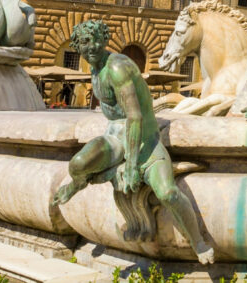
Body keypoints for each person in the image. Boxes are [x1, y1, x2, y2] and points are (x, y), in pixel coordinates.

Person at [51, 20, 215, 264]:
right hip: (115, 136)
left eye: (96, 40)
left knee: (168, 193)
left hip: (144, 140)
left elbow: (135, 116)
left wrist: (131, 166)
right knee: (77, 164)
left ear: (104, 39)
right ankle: (79, 181)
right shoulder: (94, 69)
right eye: (85, 43)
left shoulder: (117, 68)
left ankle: (198, 242)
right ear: (78, 48)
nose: (92, 46)